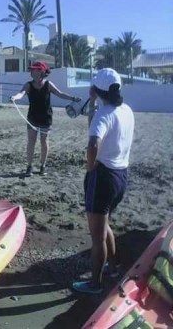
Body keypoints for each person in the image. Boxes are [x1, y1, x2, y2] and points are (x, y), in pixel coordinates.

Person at [72, 68, 134, 295]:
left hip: (103, 177)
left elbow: (92, 143)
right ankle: (114, 266)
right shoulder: (126, 110)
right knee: (105, 223)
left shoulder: (104, 114)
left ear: (97, 90)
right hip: (121, 176)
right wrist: (92, 102)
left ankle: (95, 284)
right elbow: (94, 124)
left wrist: (90, 166)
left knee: (96, 235)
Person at [10, 61, 81, 177]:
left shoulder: (48, 84)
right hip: (32, 117)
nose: (32, 72)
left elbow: (60, 93)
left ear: (41, 72)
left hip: (46, 117)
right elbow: (21, 93)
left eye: (35, 70)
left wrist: (72, 98)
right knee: (31, 142)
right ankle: (29, 167)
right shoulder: (28, 85)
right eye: (32, 70)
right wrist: (14, 97)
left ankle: (43, 166)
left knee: (44, 142)